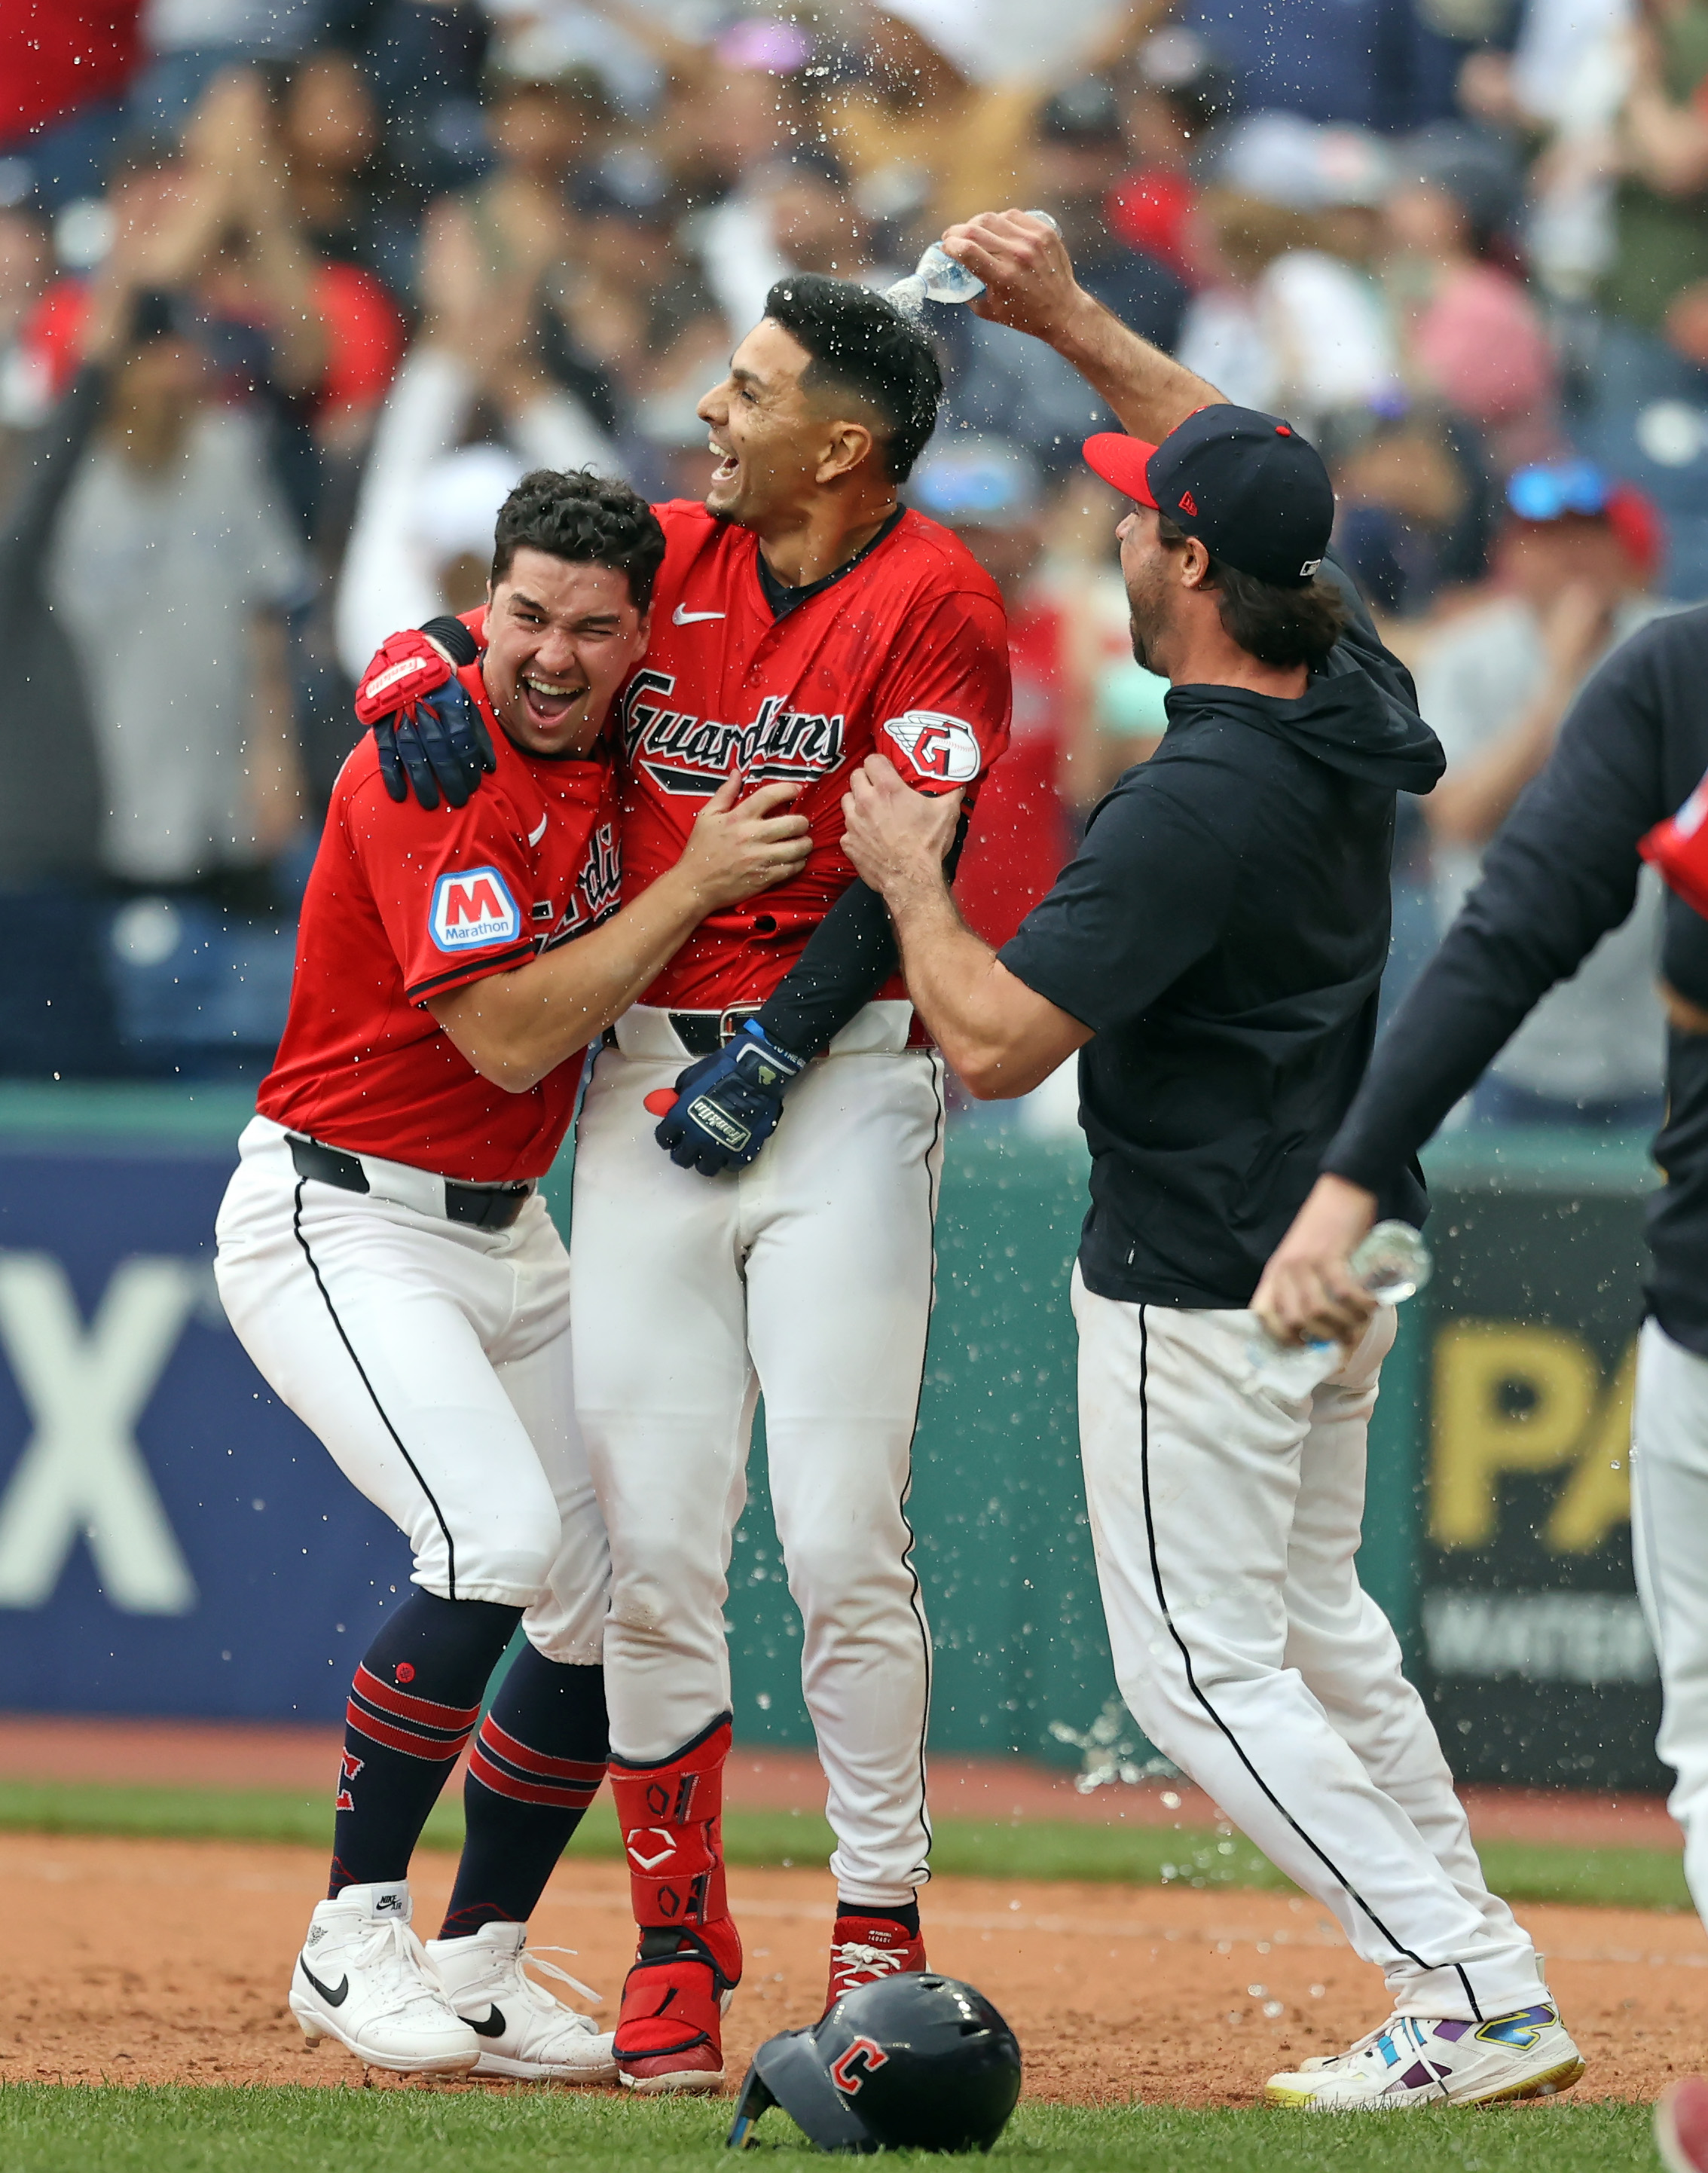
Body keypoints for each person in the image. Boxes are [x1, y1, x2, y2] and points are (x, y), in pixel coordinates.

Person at [837, 207, 1584, 2112]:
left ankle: (1459, 1988)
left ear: (1182, 565)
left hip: (1202, 1277)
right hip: (1326, 1243)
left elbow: (1000, 1042)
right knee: (1313, 1634)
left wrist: (914, 884)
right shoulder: (1349, 700)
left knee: (1194, 1669)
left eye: (1136, 513)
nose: (1114, 521)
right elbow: (1245, 464)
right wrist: (1075, 317)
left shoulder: (1188, 804)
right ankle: (1474, 1962)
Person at [357, 273, 1012, 2092]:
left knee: (831, 1536)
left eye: (747, 387)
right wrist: (406, 666)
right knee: (648, 1548)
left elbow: (896, 861)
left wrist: (774, 1057)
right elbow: (508, 618)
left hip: (839, 1085)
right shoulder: (670, 545)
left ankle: (874, 1915)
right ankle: (669, 1937)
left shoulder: (940, 599)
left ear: (841, 444)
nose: (710, 409)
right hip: (648, 1084)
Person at [212, 469, 812, 2080]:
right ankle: (350, 1933)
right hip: (339, 1210)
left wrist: (415, 646)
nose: (549, 652)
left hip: (506, 1225)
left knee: (605, 1580)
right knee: (488, 1534)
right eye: (521, 615)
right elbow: (508, 1031)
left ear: (638, 640)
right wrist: (689, 882)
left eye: (589, 627)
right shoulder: (429, 758)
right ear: (489, 602)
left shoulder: (618, 724)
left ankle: (477, 1956)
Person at [1248, 479, 1708, 2101]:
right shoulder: (1662, 676)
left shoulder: (1671, 672)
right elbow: (1498, 919)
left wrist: (1349, 1174)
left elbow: (1504, 934)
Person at [1414, 461, 1669, 1128]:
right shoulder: (1465, 655)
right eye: (1547, 538)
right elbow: (1457, 816)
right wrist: (1556, 685)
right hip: (1513, 1042)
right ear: (1509, 553)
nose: (1573, 557)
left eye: (1588, 535)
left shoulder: (1674, 649)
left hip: (1659, 1041)